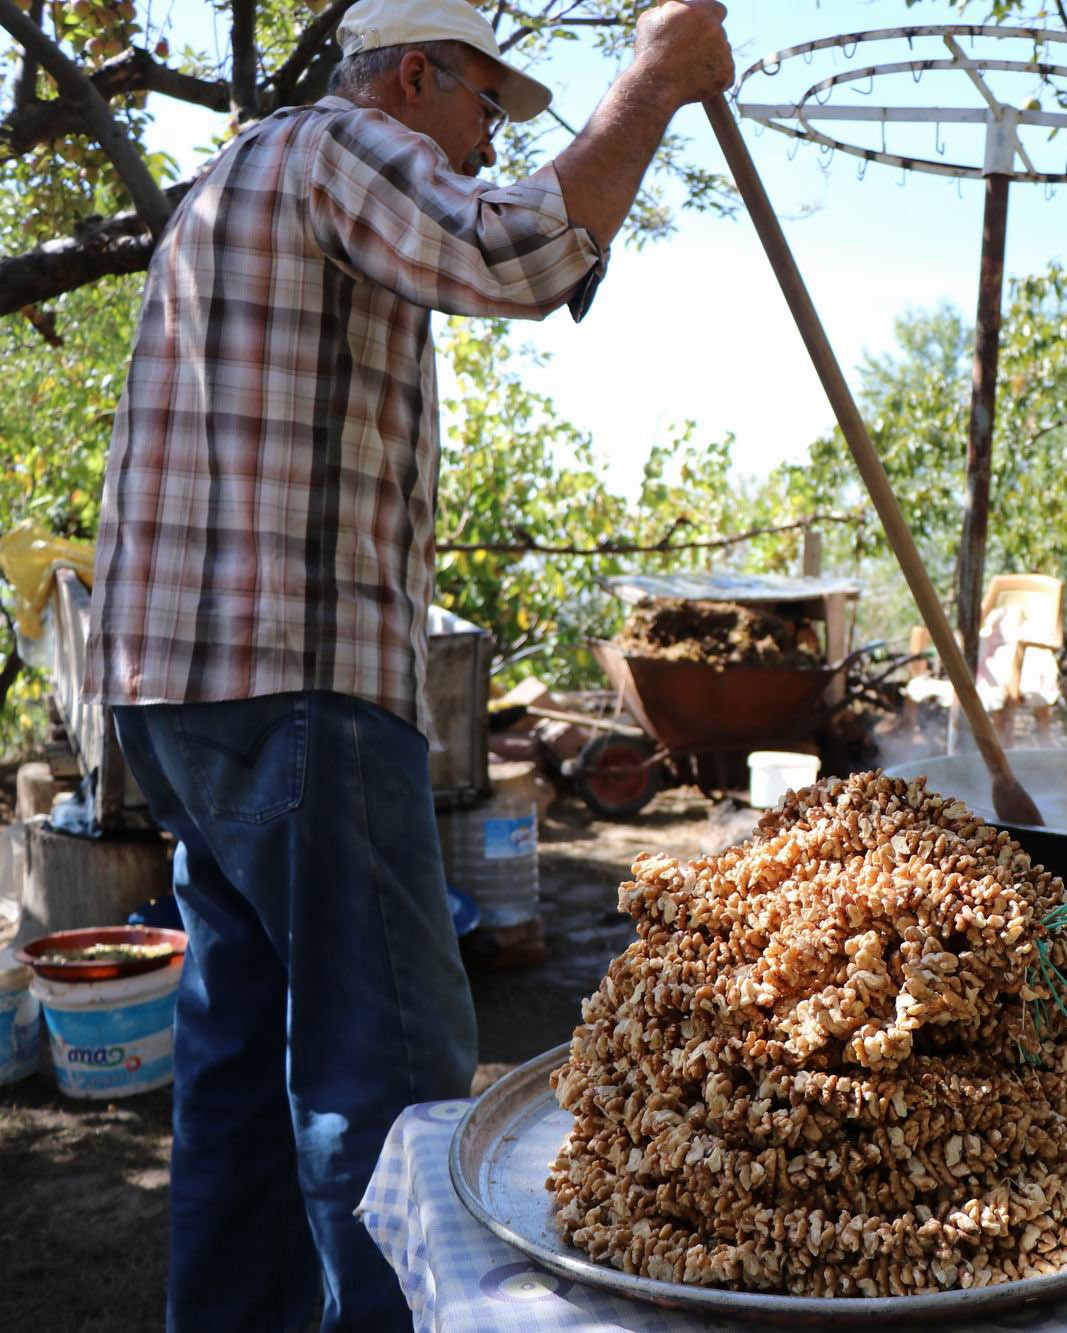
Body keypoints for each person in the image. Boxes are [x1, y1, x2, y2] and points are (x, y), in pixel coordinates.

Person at [83, 1, 734, 1326]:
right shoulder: (339, 144)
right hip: (295, 689)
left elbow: (533, 252)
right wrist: (657, 80)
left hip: (179, 698)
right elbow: (516, 250)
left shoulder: (238, 173)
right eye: (483, 112)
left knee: (239, 1067)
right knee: (387, 1085)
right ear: (417, 76)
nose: (484, 145)